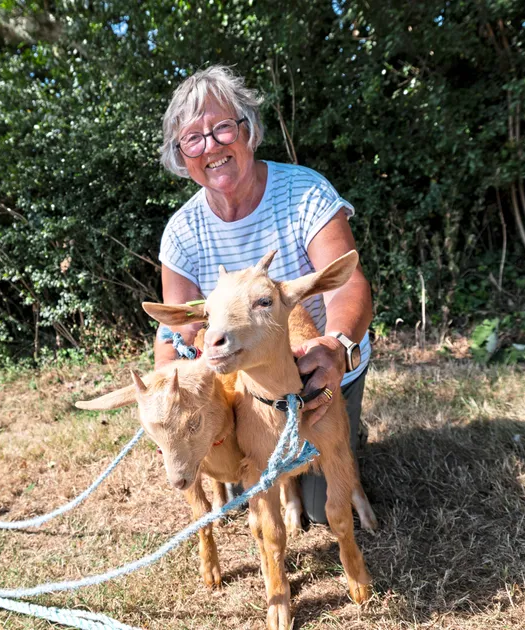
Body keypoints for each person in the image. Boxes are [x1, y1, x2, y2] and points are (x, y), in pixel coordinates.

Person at [153, 65, 373, 525]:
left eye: (222, 128)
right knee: (240, 473)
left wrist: (337, 348)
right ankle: (278, 462)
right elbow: (176, 329)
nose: (210, 146)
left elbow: (348, 283)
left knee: (318, 507)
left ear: (248, 130)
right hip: (246, 388)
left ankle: (347, 439)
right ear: (182, 156)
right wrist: (171, 391)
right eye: (193, 139)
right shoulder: (181, 231)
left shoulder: (304, 191)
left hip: (318, 369)